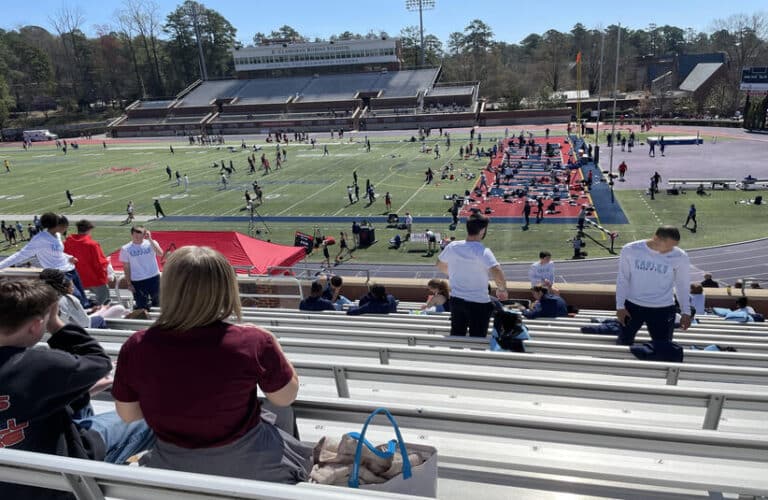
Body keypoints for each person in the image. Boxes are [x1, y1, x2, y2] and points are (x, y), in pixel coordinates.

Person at [112, 246, 311, 483]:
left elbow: (128, 414)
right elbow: (285, 398)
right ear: (226, 288)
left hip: (171, 467)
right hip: (250, 464)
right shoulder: (252, 341)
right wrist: (272, 341)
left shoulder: (136, 345)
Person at [0, 278, 154, 500]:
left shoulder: (40, 369)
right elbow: (99, 362)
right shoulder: (41, 364)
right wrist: (55, 324)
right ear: (35, 326)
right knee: (149, 412)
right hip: (59, 481)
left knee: (78, 399)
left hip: (12, 479)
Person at [615, 226, 691, 347]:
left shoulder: (680, 256)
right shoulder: (630, 249)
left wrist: (686, 312)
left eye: (673, 246)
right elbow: (623, 278)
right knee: (623, 343)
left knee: (663, 347)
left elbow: (682, 285)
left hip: (663, 308)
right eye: (667, 246)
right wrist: (619, 306)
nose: (670, 250)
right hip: (633, 306)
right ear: (656, 238)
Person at [437, 213, 508, 337]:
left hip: (456, 301)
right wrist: (502, 290)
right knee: (477, 339)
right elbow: (497, 271)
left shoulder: (453, 246)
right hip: (478, 303)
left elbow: (439, 264)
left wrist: (454, 274)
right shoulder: (483, 251)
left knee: (457, 336)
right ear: (482, 230)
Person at [0, 212, 91, 308]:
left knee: (83, 300)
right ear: (58, 225)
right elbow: (20, 255)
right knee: (77, 299)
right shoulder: (40, 239)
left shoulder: (57, 235)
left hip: (71, 269)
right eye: (66, 226)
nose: (66, 228)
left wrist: (69, 257)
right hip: (59, 274)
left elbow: (57, 253)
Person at [63, 219, 111, 304]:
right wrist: (105, 275)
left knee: (78, 302)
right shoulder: (92, 244)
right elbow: (99, 263)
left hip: (75, 279)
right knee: (104, 301)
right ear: (89, 230)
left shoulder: (66, 243)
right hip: (93, 278)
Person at [119, 226, 163, 311]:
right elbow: (126, 267)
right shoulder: (126, 249)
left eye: (141, 235)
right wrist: (129, 283)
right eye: (136, 235)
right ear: (132, 235)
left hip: (154, 277)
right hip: (137, 281)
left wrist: (150, 239)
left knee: (158, 302)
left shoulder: (151, 243)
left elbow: (160, 253)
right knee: (142, 305)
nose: (138, 237)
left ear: (144, 234)